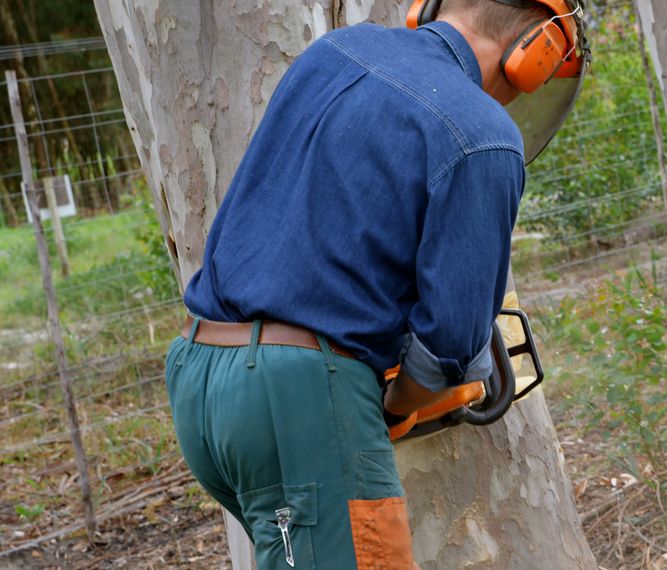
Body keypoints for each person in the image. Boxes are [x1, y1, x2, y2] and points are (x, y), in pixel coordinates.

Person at [163, 0, 586, 568]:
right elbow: (449, 350)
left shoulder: (333, 52)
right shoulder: (484, 136)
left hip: (199, 377)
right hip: (299, 402)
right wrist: (392, 406)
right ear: (538, 52)